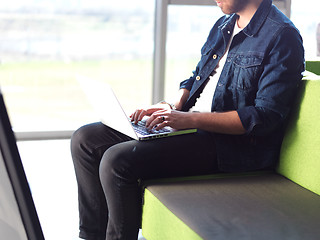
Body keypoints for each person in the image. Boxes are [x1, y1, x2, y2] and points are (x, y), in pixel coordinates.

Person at [71, 0, 304, 239]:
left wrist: (189, 120)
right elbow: (197, 78)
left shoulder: (283, 36)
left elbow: (264, 117)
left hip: (231, 145)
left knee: (116, 161)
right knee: (85, 140)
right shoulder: (224, 24)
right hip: (192, 124)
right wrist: (171, 107)